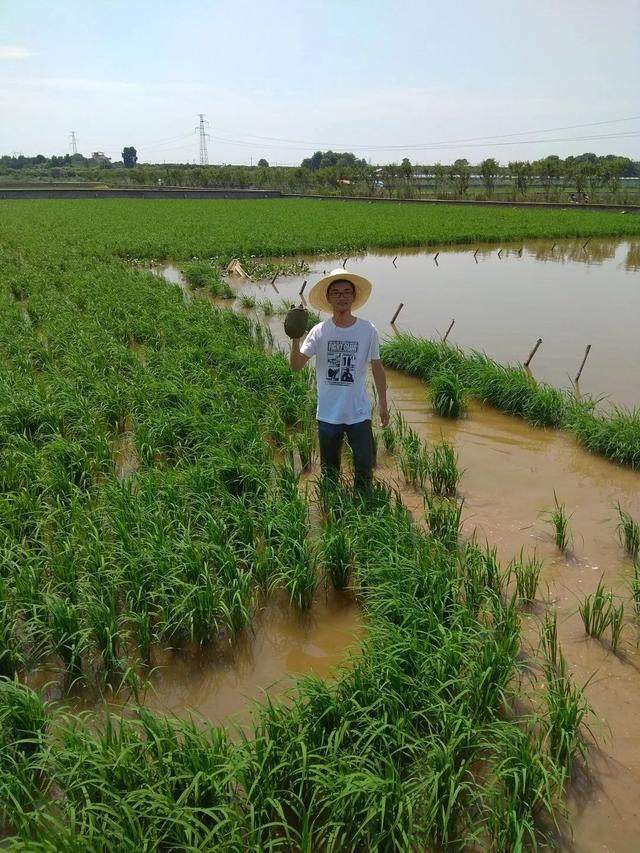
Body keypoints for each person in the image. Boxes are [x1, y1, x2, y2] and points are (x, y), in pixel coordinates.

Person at [288, 268, 389, 491]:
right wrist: (295, 338)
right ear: (328, 298)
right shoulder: (318, 331)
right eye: (336, 293)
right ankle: (333, 510)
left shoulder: (367, 330)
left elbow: (377, 367)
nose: (341, 296)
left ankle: (363, 508)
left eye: (346, 292)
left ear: (353, 297)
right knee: (329, 470)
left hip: (358, 413)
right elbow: (296, 366)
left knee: (364, 466)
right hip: (328, 413)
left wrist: (383, 403)